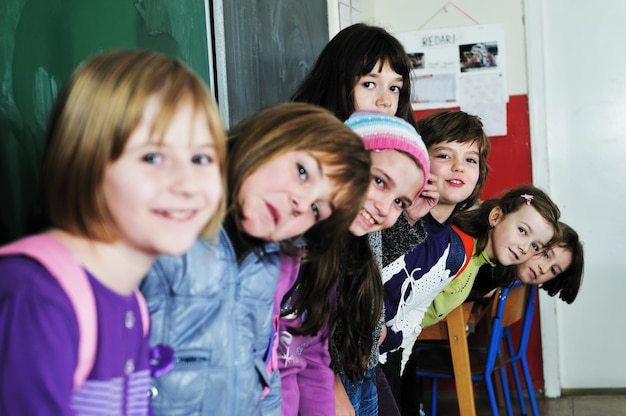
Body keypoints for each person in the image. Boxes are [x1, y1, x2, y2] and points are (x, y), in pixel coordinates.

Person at [0, 49, 227, 415]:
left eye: (201, 158)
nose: (188, 183)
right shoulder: (38, 298)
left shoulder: (131, 302)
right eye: (152, 157)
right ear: (84, 159)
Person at [140, 102, 372, 416]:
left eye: (317, 210)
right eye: (302, 171)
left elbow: (263, 370)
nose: (300, 203)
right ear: (271, 136)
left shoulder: (271, 265)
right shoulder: (166, 221)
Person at [290, 22, 434, 416]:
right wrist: (329, 376)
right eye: (370, 83)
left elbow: (366, 258)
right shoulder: (312, 176)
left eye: (395, 88)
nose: (386, 99)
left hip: (359, 361)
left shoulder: (376, 167)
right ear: (338, 82)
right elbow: (304, 300)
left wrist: (409, 214)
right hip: (322, 372)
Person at [276, 111, 430, 416]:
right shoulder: (283, 240)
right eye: (380, 181)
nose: (386, 207)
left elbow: (311, 351)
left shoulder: (332, 252)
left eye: (400, 201)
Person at [375, 109, 491, 406]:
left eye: (470, 160)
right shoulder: (386, 213)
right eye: (444, 156)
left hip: (389, 356)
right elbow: (367, 271)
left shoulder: (452, 248)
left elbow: (416, 311)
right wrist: (409, 216)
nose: (458, 167)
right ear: (418, 160)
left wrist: (394, 340)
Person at [468, 221, 584, 304]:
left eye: (553, 270)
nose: (544, 269)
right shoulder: (490, 258)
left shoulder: (505, 276)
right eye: (546, 255)